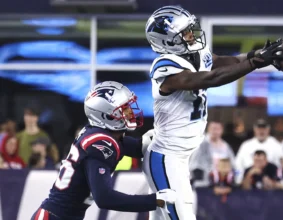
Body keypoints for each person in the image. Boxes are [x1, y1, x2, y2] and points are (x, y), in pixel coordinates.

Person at [142, 5, 283, 220]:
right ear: (167, 42)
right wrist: (254, 63)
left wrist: (257, 55)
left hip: (183, 155)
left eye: (191, 29)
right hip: (166, 156)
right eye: (185, 33)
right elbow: (209, 78)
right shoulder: (165, 66)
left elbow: (224, 62)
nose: (192, 35)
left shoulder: (196, 54)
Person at [31, 81, 176, 220]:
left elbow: (139, 148)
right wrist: (154, 200)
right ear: (106, 115)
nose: (131, 112)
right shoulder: (100, 143)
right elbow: (104, 198)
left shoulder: (103, 135)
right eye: (124, 109)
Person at [235, 118, 283, 184]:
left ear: (268, 130)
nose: (261, 131)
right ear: (254, 130)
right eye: (259, 129)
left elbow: (282, 165)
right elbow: (238, 165)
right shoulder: (246, 145)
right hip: (250, 180)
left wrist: (277, 180)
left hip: (270, 180)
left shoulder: (276, 145)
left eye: (264, 129)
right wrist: (239, 180)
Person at [189, 121, 236, 188]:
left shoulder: (226, 146)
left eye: (217, 129)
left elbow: (233, 165)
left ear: (222, 130)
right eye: (213, 129)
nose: (215, 131)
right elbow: (193, 165)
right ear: (208, 129)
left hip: (222, 182)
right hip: (204, 183)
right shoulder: (202, 144)